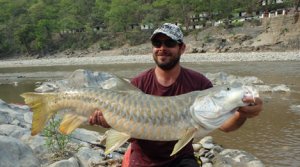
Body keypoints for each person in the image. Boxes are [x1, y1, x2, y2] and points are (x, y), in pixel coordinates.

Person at [89, 23, 263, 167]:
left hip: (180, 159)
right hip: (143, 160)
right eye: (157, 43)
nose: (162, 48)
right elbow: (133, 133)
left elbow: (225, 126)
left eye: (170, 43)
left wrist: (241, 113)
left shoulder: (199, 84)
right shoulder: (139, 83)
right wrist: (112, 122)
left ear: (182, 48)